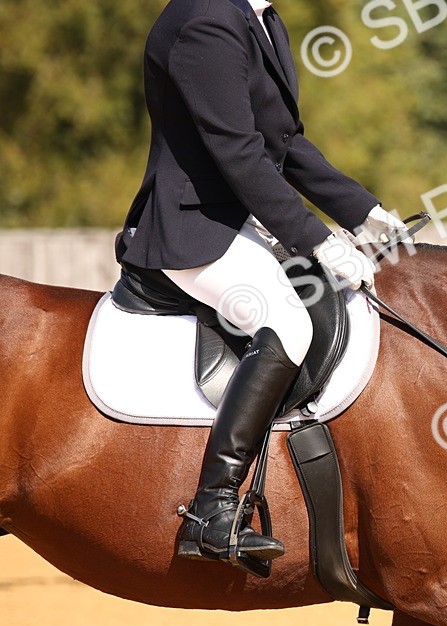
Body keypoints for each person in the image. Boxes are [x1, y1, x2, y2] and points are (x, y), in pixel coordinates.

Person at [115, 0, 407, 565]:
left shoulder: (259, 18)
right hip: (192, 226)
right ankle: (212, 510)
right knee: (286, 322)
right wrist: (315, 239)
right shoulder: (207, 20)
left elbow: (284, 141)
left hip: (234, 218)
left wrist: (360, 210)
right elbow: (238, 152)